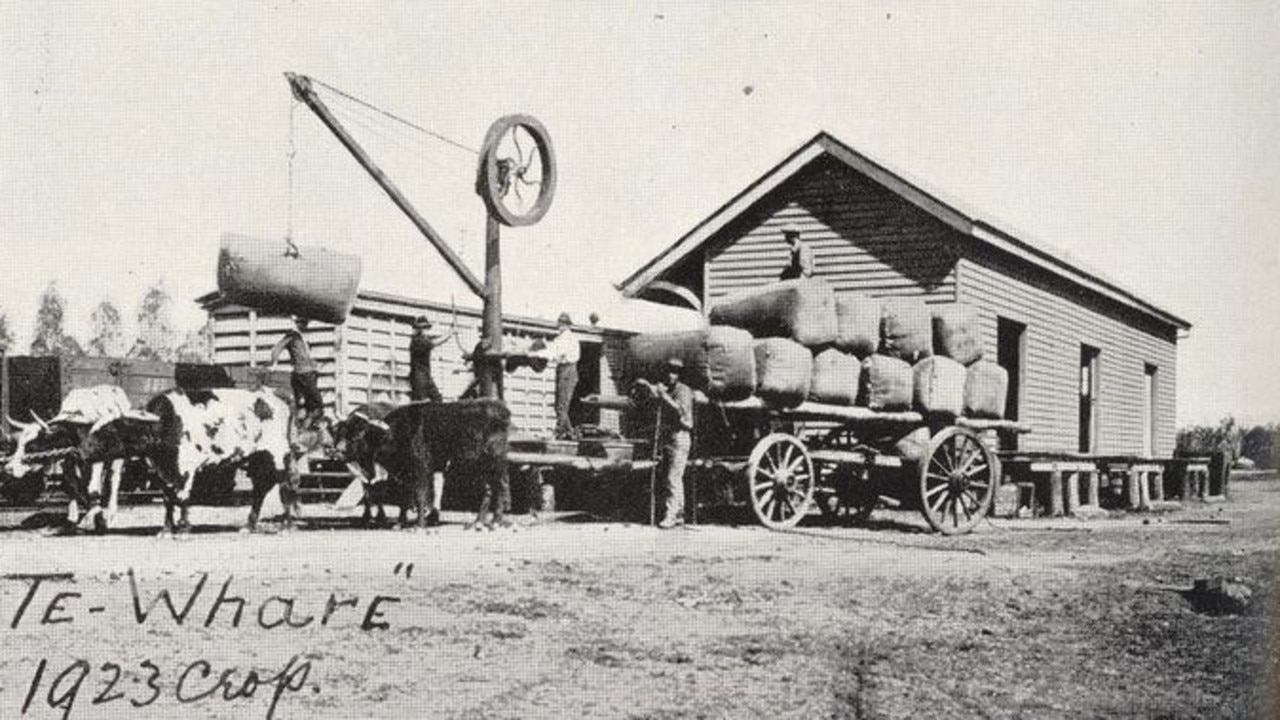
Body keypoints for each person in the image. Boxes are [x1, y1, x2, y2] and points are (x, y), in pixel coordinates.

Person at [644, 358, 694, 529]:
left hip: (680, 436)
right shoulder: (669, 389)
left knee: (673, 478)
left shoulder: (683, 391)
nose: (670, 375)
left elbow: (679, 410)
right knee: (671, 478)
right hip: (669, 437)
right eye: (668, 371)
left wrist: (663, 396)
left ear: (679, 375)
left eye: (674, 372)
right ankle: (678, 513)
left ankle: (671, 516)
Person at [270, 316, 324, 424]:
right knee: (315, 403)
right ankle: (304, 422)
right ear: (297, 323)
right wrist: (273, 363)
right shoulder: (292, 336)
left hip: (310, 372)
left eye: (306, 322)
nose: (305, 325)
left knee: (311, 403)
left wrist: (314, 364)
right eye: (302, 322)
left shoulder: (302, 337)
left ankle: (310, 423)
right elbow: (277, 348)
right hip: (302, 373)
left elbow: (305, 354)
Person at [544, 312, 580, 439]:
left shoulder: (568, 338)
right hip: (562, 369)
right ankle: (570, 432)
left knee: (561, 405)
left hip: (568, 369)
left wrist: (546, 355)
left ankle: (558, 431)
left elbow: (558, 353)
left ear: (565, 325)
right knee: (559, 405)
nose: (558, 326)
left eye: (560, 323)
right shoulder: (561, 338)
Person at [408, 315, 453, 403]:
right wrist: (450, 333)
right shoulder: (418, 341)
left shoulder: (422, 339)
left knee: (437, 399)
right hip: (418, 377)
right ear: (418, 329)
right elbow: (436, 342)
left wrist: (449, 330)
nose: (425, 330)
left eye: (426, 328)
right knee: (421, 403)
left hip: (426, 376)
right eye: (423, 328)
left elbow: (434, 338)